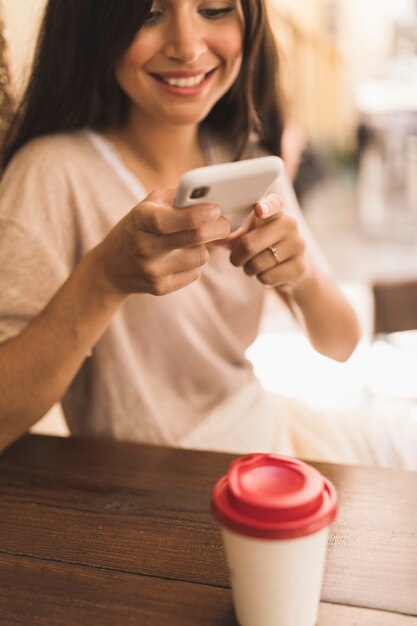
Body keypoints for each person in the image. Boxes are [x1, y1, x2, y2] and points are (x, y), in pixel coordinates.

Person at [0, 0, 363, 460]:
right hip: (151, 490)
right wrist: (102, 280)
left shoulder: (247, 160)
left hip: (263, 453)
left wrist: (300, 276)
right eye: (149, 15)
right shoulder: (52, 173)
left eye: (213, 10)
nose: (188, 48)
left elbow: (343, 344)